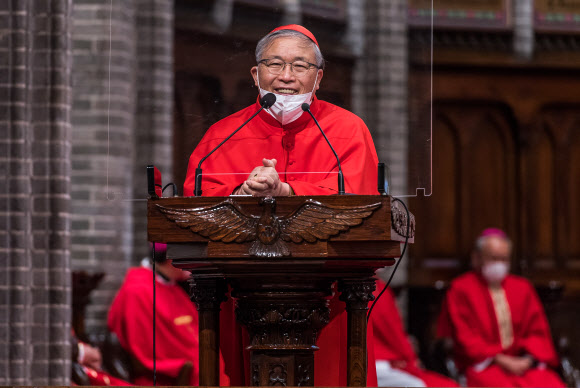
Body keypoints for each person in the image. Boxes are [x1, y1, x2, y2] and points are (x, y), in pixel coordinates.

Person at [183, 25, 380, 386]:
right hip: (239, 293)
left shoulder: (349, 131)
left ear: (318, 77)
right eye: (275, 64)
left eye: (300, 66)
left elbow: (357, 201)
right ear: (256, 74)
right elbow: (195, 199)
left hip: (330, 296)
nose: (286, 76)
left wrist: (288, 190)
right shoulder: (222, 134)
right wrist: (241, 193)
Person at [437, 228, 565, 387]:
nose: (499, 264)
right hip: (486, 365)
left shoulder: (522, 287)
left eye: (504, 259)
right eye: (494, 258)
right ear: (477, 258)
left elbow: (538, 331)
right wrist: (499, 359)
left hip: (522, 364)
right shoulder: (461, 289)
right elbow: (464, 337)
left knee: (551, 384)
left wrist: (527, 360)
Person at [107, 243, 230, 386]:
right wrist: (194, 360)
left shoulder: (171, 285)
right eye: (190, 256)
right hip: (163, 380)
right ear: (170, 258)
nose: (195, 264)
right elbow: (146, 349)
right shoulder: (138, 291)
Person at [370, 279, 459, 387]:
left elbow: (395, 330)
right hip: (376, 362)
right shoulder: (370, 288)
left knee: (447, 384)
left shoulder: (381, 286)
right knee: (417, 385)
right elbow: (390, 332)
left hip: (390, 358)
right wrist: (406, 358)